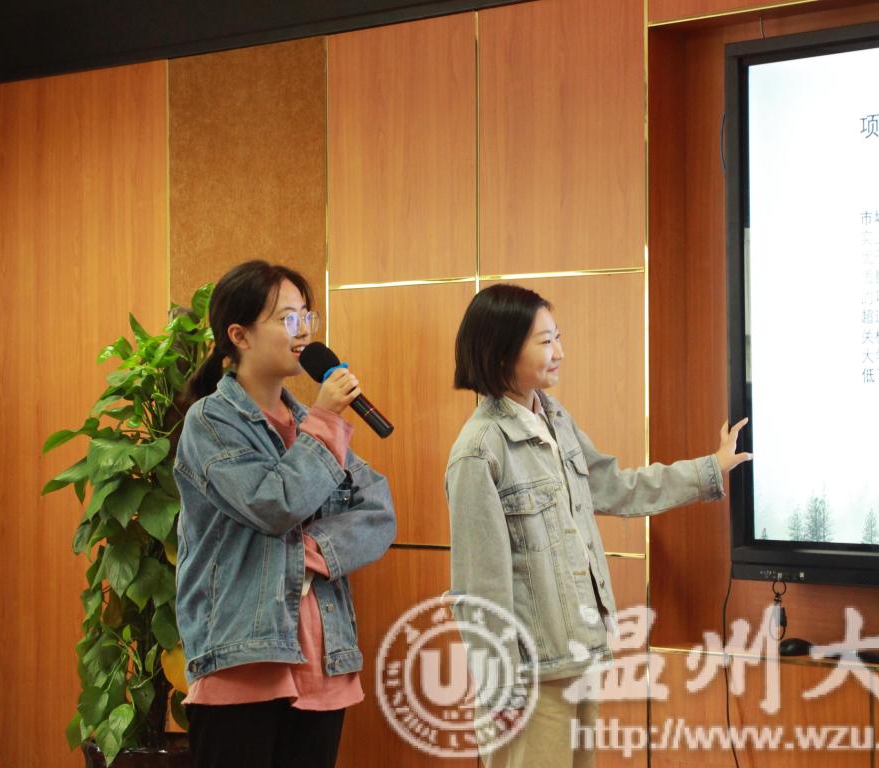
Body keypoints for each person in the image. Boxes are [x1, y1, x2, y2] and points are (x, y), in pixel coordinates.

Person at [445, 283, 751, 768]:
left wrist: (709, 468)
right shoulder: (479, 450)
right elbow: (480, 588)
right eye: (545, 341)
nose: (559, 353)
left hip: (578, 654)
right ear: (502, 352)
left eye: (558, 338)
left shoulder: (556, 419)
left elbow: (617, 487)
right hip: (529, 677)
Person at [174, 260, 396, 768]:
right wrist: (326, 417)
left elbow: (378, 511)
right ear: (239, 335)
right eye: (286, 319)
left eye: (306, 317)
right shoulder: (211, 422)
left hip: (322, 662)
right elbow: (274, 504)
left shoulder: (306, 422)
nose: (303, 331)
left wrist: (307, 552)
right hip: (242, 661)